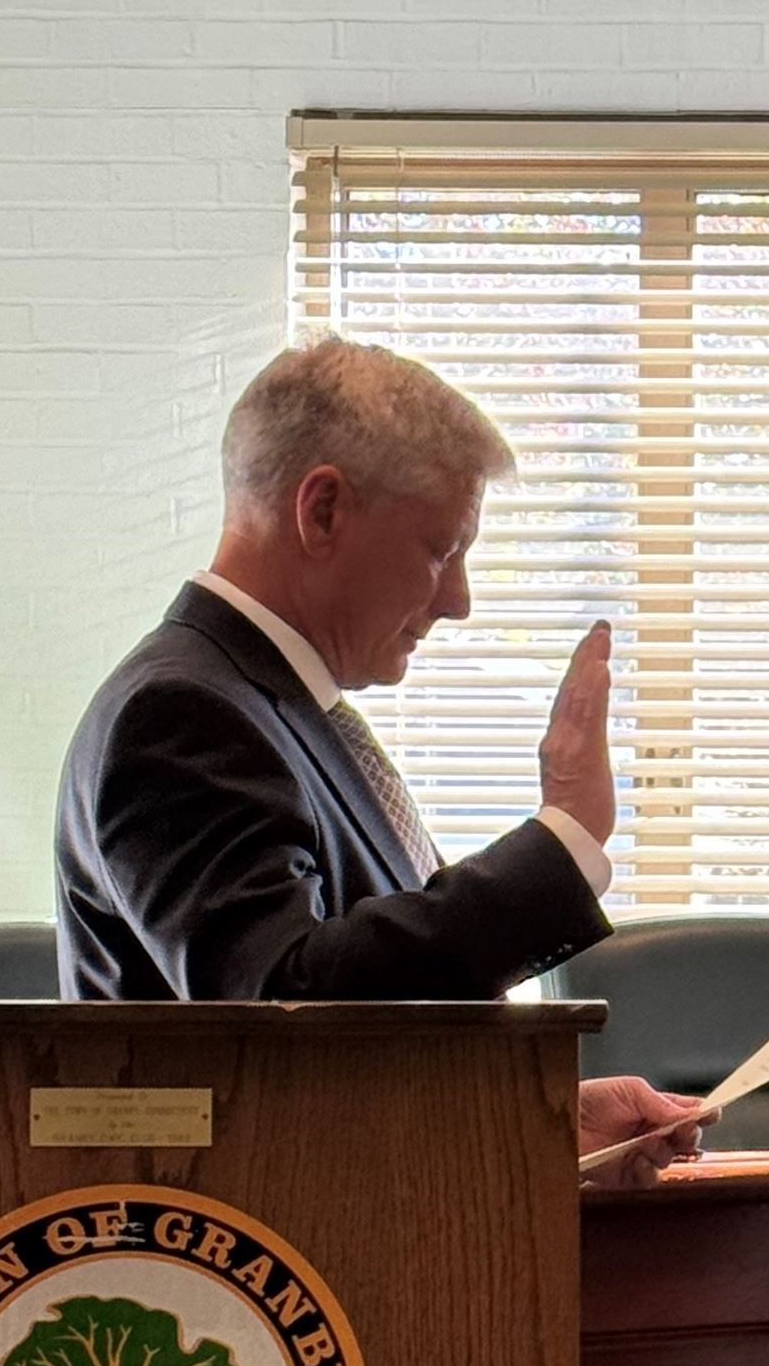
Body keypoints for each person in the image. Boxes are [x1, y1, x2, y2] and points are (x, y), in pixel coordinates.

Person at [56, 337, 700, 1188]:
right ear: (322, 510)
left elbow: (355, 1046)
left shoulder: (267, 707)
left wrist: (539, 1123)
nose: (458, 601)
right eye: (441, 550)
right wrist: (565, 839)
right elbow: (285, 1011)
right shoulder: (182, 713)